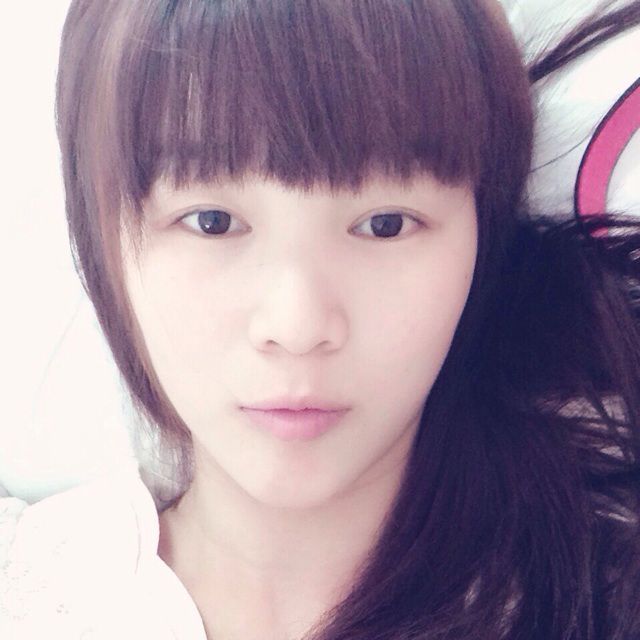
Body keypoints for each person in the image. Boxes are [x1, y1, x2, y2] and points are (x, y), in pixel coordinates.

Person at [2, 1, 640, 638]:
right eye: (212, 222)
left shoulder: (597, 601)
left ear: (482, 237)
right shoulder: (24, 588)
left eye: (385, 224)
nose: (298, 327)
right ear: (104, 242)